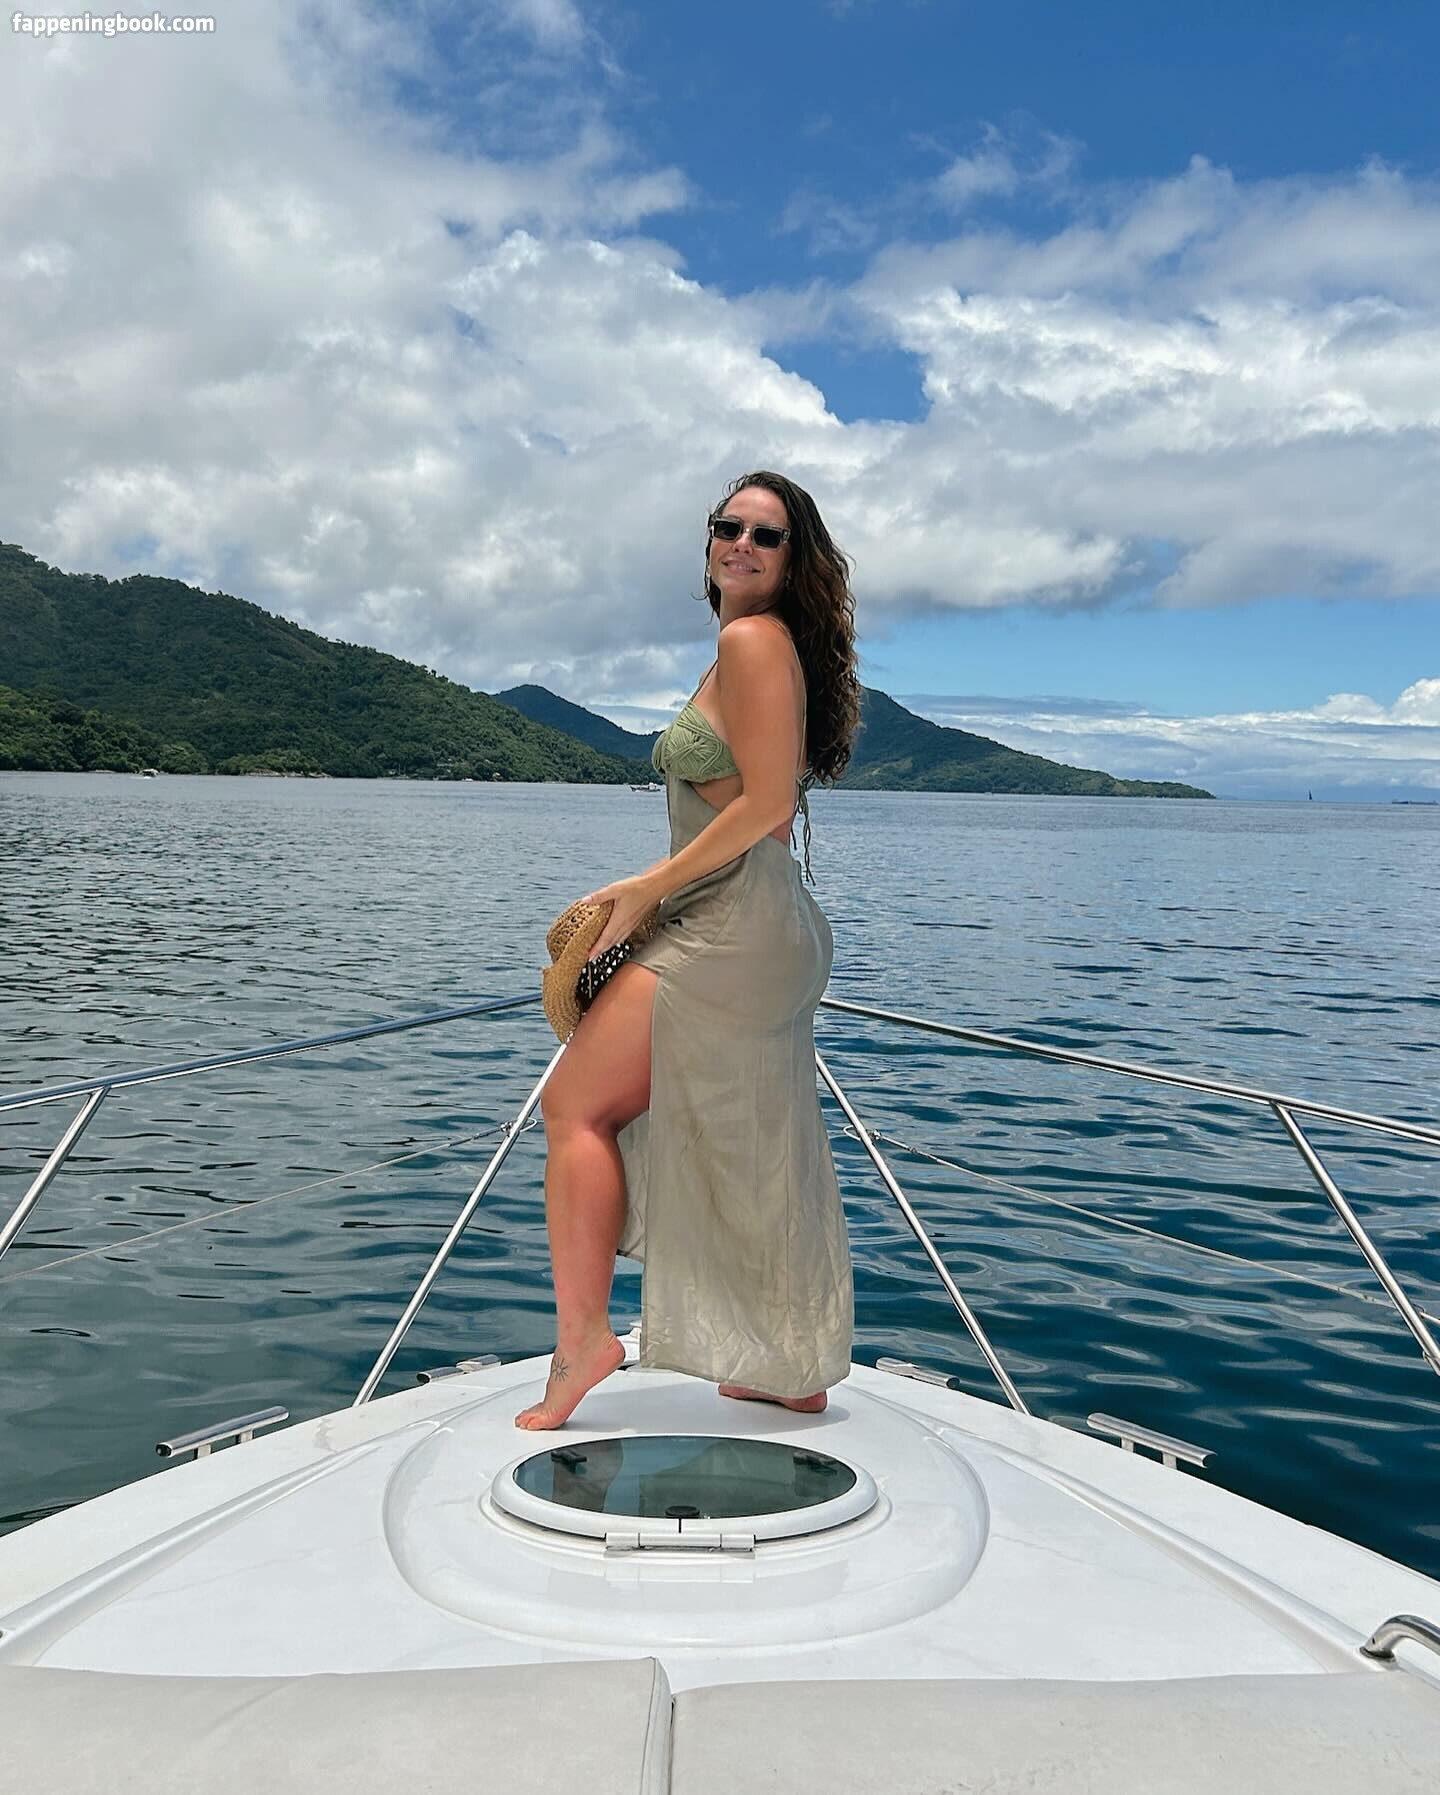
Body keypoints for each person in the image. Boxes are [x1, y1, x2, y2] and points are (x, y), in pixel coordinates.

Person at [516, 470, 862, 1430]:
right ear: (709, 542)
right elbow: (750, 805)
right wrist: (661, 893)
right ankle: (786, 1366)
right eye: (728, 526)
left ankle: (583, 1341)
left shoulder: (753, 642)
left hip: (734, 924)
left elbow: (769, 806)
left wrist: (646, 888)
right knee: (751, 1139)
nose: (741, 543)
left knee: (575, 1107)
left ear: (793, 559)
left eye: (766, 534)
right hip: (750, 921)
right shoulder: (754, 648)